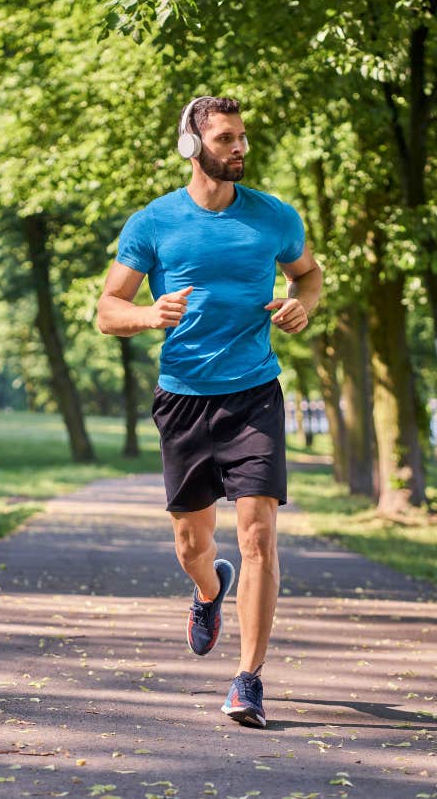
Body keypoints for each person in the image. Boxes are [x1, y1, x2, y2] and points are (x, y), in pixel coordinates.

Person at [97, 96, 322, 728]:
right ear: (193, 147)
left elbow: (308, 274)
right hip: (184, 398)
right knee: (192, 544)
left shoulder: (274, 217)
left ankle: (248, 680)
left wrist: (304, 304)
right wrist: (149, 314)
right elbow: (107, 309)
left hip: (254, 393)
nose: (241, 149)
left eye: (243, 137)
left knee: (258, 536)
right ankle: (207, 591)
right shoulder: (154, 223)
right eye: (226, 139)